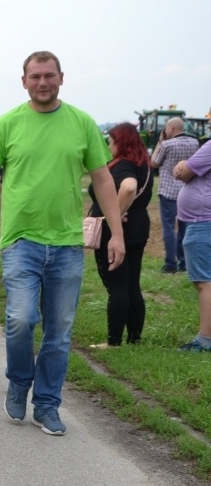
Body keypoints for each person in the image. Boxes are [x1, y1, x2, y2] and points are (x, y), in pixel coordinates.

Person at [0, 51, 125, 436]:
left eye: (49, 75)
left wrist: (116, 234)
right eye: (35, 76)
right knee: (21, 319)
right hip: (20, 241)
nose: (43, 82)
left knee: (59, 332)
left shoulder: (82, 123)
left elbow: (103, 180)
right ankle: (19, 381)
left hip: (67, 244)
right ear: (24, 81)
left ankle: (46, 404)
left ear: (61, 78)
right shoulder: (8, 124)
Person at [88, 123, 153, 348]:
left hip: (116, 231)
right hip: (138, 226)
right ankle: (134, 339)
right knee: (132, 284)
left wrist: (114, 215)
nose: (109, 146)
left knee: (117, 285)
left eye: (111, 141)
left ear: (121, 143)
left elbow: (128, 188)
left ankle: (113, 342)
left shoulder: (124, 165)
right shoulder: (143, 164)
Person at [173, 140, 211, 351]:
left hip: (202, 222)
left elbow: (183, 173)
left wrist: (183, 164)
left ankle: (205, 341)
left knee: (204, 283)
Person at [151, 117, 199, 273]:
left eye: (166, 128)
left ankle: (171, 264)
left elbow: (154, 163)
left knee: (169, 228)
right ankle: (184, 261)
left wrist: (160, 141)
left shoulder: (167, 144)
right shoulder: (194, 143)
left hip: (168, 191)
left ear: (171, 129)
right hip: (187, 190)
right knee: (185, 228)